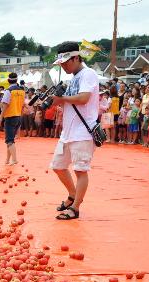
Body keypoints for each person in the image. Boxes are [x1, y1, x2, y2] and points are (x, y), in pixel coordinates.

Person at [48, 42, 100, 221]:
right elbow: (69, 100)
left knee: (80, 170)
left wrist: (61, 98)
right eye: (61, 63)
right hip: (68, 132)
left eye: (65, 62)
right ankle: (72, 195)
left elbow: (84, 98)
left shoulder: (88, 74)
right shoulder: (73, 78)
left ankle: (76, 207)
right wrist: (55, 100)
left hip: (83, 132)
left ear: (76, 57)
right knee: (58, 166)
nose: (63, 66)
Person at [0, 72, 25, 165]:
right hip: (18, 116)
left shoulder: (8, 91)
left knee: (9, 140)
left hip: (10, 116)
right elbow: (23, 105)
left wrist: (0, 117)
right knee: (11, 139)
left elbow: (5, 105)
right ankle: (7, 159)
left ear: (8, 80)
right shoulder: (22, 91)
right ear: (16, 80)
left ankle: (14, 159)